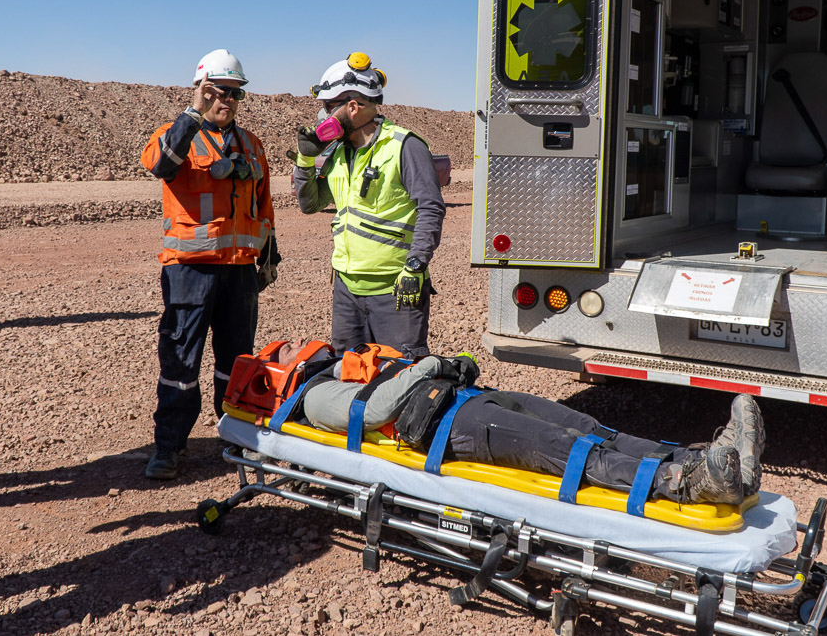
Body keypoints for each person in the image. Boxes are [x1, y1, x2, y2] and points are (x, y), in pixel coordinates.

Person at [300, 347, 766, 506]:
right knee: (564, 447)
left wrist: (444, 370)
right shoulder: (314, 395)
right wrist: (431, 365)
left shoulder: (349, 365)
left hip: (470, 402)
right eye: (285, 348)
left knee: (591, 428)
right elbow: (374, 412)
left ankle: (706, 461)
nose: (298, 341)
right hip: (452, 426)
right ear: (290, 371)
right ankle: (683, 483)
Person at [140, 49, 279, 481]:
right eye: (220, 91)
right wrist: (193, 112)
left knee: (236, 360)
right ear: (202, 89)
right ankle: (169, 446)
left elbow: (263, 204)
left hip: (239, 271)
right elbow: (161, 165)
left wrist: (269, 254)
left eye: (236, 93)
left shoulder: (251, 145)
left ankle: (235, 437)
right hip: (190, 271)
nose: (228, 100)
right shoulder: (175, 135)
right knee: (180, 361)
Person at [292, 53, 445, 357]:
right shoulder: (338, 153)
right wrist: (305, 159)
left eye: (328, 106)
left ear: (353, 106)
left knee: (400, 374)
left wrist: (416, 265)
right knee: (348, 372)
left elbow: (430, 208)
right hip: (347, 291)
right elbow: (309, 204)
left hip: (396, 289)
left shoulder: (404, 146)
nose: (322, 115)